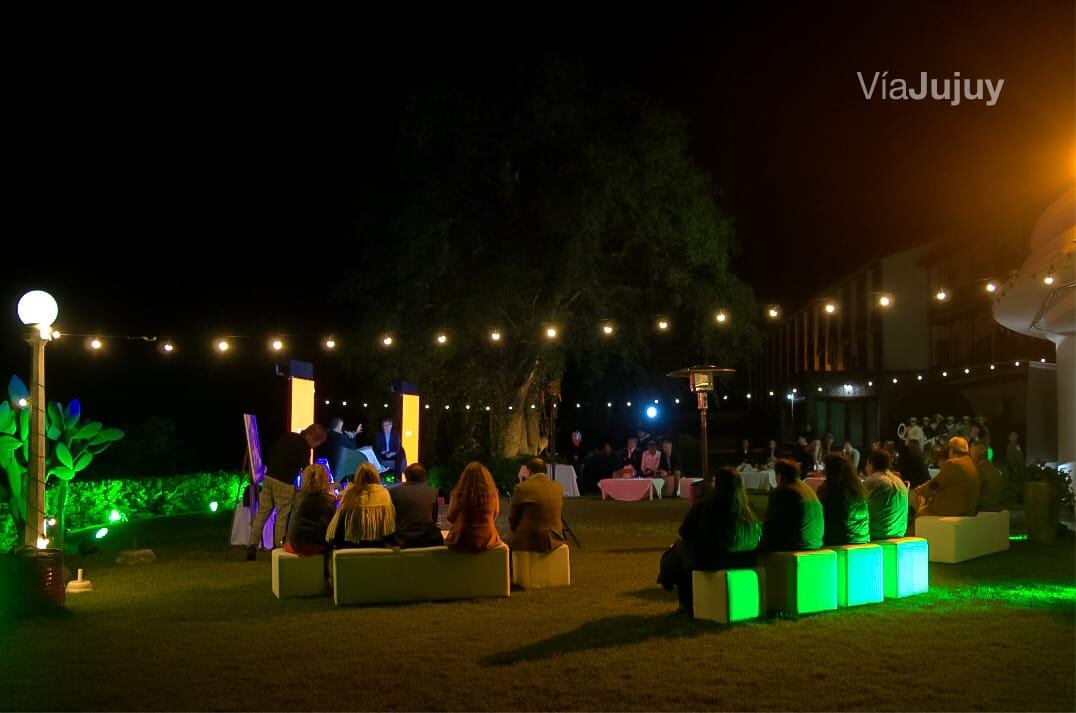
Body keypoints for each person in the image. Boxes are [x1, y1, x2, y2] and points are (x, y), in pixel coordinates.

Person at [657, 467, 761, 615]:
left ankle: (683, 601)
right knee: (684, 551)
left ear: (717, 483)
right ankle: (672, 585)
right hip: (746, 558)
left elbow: (684, 532)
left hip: (716, 559)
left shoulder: (707, 504)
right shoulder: (747, 506)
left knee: (683, 549)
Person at [247, 423, 328, 561]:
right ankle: (278, 550)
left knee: (262, 513)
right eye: (317, 443)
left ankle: (251, 547)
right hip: (284, 483)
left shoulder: (288, 436)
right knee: (282, 517)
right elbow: (306, 470)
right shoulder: (304, 447)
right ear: (312, 438)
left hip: (269, 477)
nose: (316, 446)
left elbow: (271, 451)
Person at [326, 463, 396, 548]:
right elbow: (389, 528)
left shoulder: (349, 493)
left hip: (349, 548)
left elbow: (337, 528)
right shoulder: (384, 493)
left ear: (357, 476)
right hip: (377, 548)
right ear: (376, 476)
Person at [760, 459, 824, 552]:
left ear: (779, 475)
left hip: (797, 545)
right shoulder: (806, 488)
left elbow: (770, 525)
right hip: (815, 543)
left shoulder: (783, 491)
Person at [509, 457, 566, 552]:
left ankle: (513, 566)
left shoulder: (521, 487)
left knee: (507, 541)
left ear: (530, 471)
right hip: (555, 539)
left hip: (529, 540)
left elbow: (513, 519)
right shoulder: (558, 487)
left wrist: (514, 530)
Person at [445, 461, 503, 553]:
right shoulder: (493, 494)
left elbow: (450, 517)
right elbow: (495, 514)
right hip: (488, 540)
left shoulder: (457, 494)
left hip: (461, 540)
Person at [916, 437, 980, 516]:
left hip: (954, 509)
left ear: (952, 450)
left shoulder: (953, 463)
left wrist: (920, 490)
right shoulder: (970, 462)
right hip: (968, 509)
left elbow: (935, 484)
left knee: (919, 512)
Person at [283, 463, 337, 556]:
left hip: (295, 544)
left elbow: (290, 522)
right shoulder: (330, 500)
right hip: (319, 545)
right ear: (325, 479)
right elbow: (333, 527)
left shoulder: (297, 497)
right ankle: (324, 570)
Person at [817, 454, 870, 545]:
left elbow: (818, 516)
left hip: (840, 542)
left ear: (830, 471)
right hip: (862, 539)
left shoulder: (829, 491)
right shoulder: (858, 490)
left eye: (825, 468)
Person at [390, 463, 444, 548]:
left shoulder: (393, 492)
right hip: (428, 540)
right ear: (424, 477)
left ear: (406, 476)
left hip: (402, 541)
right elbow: (434, 518)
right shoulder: (434, 492)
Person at [863, 448, 908, 540]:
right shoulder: (899, 481)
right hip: (899, 533)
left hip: (878, 535)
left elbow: (855, 505)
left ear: (871, 464)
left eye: (867, 464)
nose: (865, 468)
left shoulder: (873, 481)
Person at [972, 444, 1005, 512]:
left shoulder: (980, 470)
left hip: (986, 508)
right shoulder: (993, 469)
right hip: (996, 506)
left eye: (972, 454)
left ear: (978, 456)